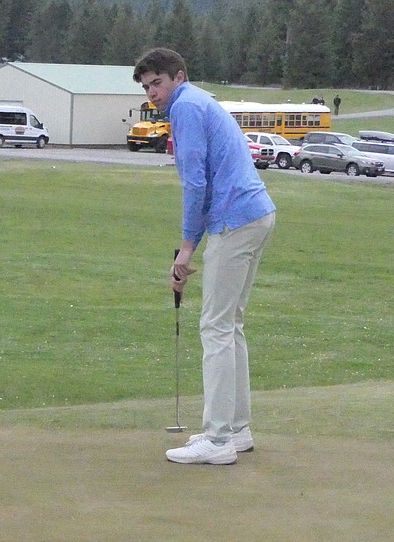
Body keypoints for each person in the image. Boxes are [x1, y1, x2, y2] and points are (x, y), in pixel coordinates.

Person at [133, 47, 276, 465]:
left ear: (178, 76)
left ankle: (217, 440)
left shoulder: (187, 108)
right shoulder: (197, 101)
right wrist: (190, 244)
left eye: (157, 82)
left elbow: (195, 183)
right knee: (230, 324)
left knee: (215, 326)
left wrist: (186, 249)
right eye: (146, 87)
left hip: (237, 220)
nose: (152, 93)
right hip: (255, 215)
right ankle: (236, 429)